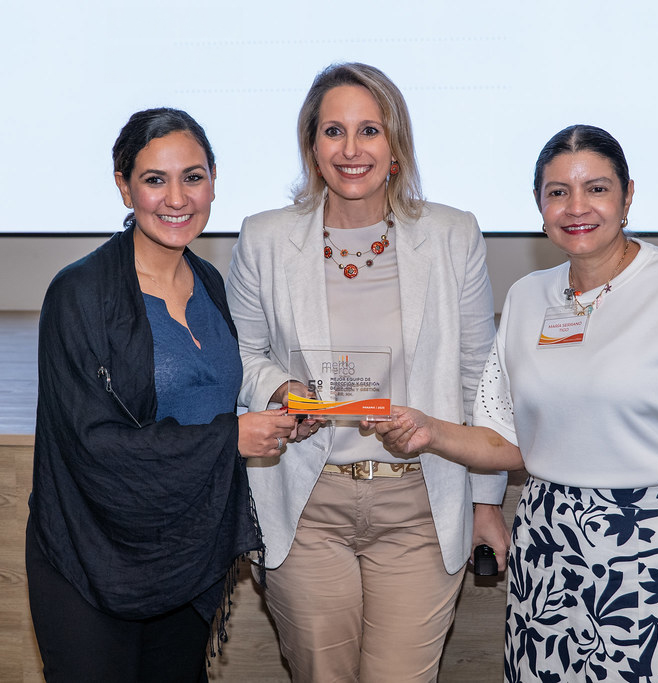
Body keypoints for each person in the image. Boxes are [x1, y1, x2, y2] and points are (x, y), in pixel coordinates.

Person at [371, 125, 658, 682]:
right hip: (548, 557)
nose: (577, 207)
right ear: (539, 204)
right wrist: (430, 430)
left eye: (597, 188)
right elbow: (508, 442)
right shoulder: (527, 296)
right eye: (558, 192)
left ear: (628, 196)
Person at [225, 62, 510, 682]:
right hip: (306, 503)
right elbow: (240, 356)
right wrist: (281, 388)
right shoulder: (264, 239)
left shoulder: (452, 235)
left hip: (420, 502)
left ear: (395, 145)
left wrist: (487, 500)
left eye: (369, 131)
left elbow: (479, 378)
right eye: (333, 131)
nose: (351, 149)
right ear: (312, 147)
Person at [25, 108, 296, 682]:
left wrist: (275, 411)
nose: (177, 198)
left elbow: (209, 397)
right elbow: (92, 446)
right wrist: (231, 438)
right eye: (155, 180)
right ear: (124, 188)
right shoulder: (79, 293)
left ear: (214, 181)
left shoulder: (211, 284)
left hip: (187, 556)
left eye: (192, 177)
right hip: (94, 556)